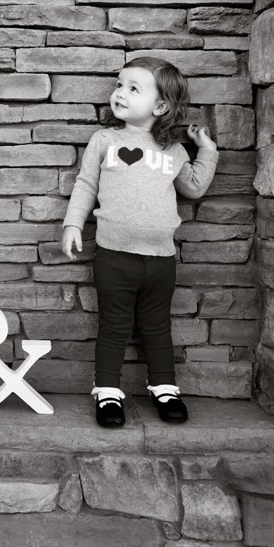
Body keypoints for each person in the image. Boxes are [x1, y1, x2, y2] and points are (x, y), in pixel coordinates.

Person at [61, 57, 218, 428]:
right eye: (119, 85)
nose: (120, 93)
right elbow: (86, 185)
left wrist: (206, 149)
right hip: (113, 256)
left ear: (160, 106)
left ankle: (164, 387)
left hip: (161, 260)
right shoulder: (106, 140)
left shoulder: (173, 150)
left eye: (134, 88)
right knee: (114, 326)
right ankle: (107, 391)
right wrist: (72, 224)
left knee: (157, 326)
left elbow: (193, 187)